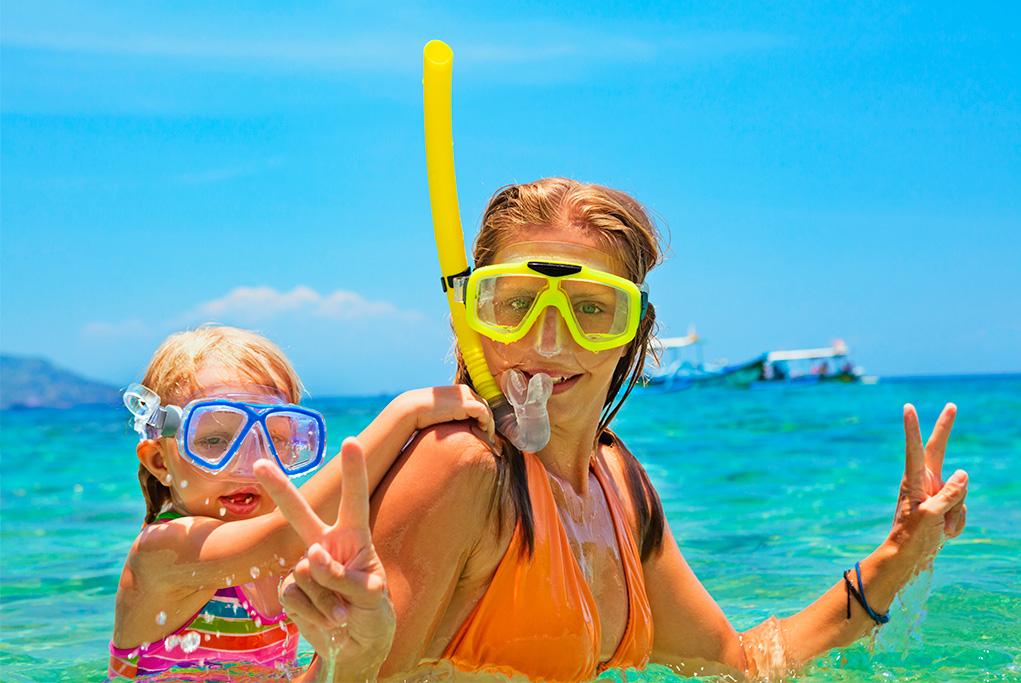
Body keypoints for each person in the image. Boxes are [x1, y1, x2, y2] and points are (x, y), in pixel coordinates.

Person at [287, 178, 969, 681]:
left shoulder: (617, 482)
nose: (547, 340)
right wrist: (352, 659)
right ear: (472, 318)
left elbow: (737, 665)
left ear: (633, 334)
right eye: (516, 304)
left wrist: (899, 553)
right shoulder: (457, 466)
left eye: (591, 310)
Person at [108, 325, 493, 681]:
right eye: (214, 440)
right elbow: (279, 541)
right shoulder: (161, 552)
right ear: (160, 462)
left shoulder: (292, 555)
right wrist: (403, 416)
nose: (249, 463)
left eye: (273, 439)